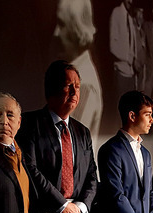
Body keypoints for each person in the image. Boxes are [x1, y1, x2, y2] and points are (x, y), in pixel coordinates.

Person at [16, 60, 98, 213]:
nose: (74, 92)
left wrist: (79, 208)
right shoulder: (29, 124)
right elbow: (29, 169)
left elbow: (91, 176)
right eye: (68, 85)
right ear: (51, 88)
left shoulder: (82, 132)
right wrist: (61, 205)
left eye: (77, 87)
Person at [52, 0, 102, 138]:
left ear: (76, 30)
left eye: (61, 24)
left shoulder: (84, 84)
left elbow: (71, 146)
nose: (56, 33)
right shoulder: (75, 73)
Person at [109, 0, 136, 101]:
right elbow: (113, 46)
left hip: (130, 73)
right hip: (120, 72)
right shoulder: (116, 13)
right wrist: (127, 57)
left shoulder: (130, 18)